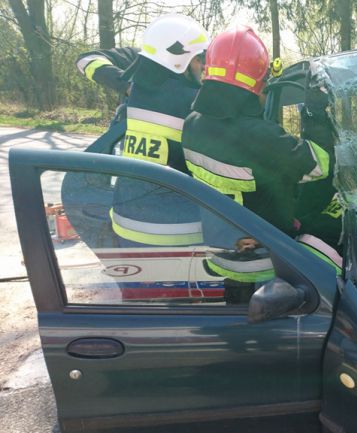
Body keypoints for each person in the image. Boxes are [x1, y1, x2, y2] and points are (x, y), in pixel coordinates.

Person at [181, 25, 333, 275]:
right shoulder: (258, 136)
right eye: (264, 83)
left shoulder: (192, 123)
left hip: (223, 253)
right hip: (265, 264)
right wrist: (314, 114)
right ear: (253, 85)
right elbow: (320, 164)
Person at [110, 14, 210, 247]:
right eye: (199, 58)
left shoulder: (137, 93)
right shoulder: (192, 102)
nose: (203, 65)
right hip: (173, 230)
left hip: (126, 223)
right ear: (180, 61)